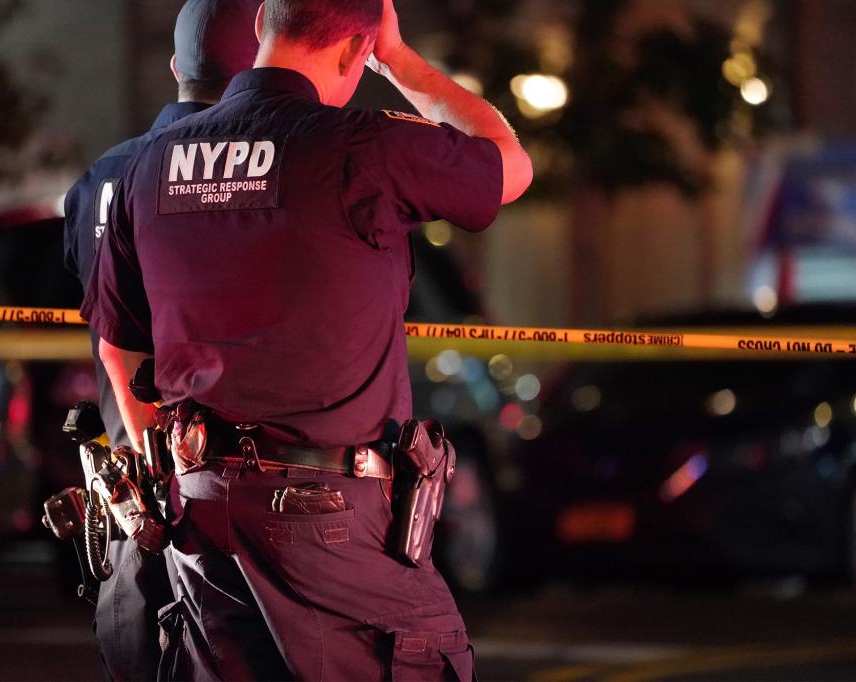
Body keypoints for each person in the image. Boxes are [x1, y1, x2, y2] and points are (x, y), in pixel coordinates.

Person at [82, 0, 533, 678]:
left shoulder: (149, 165)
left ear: (264, 20)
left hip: (200, 516)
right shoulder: (363, 146)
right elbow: (510, 165)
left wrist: (169, 474)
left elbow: (120, 343)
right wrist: (401, 60)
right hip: (329, 518)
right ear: (355, 49)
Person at [62, 1, 261, 679]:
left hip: (128, 510)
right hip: (226, 513)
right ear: (258, 68)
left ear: (177, 66)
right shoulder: (249, 173)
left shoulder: (101, 178)